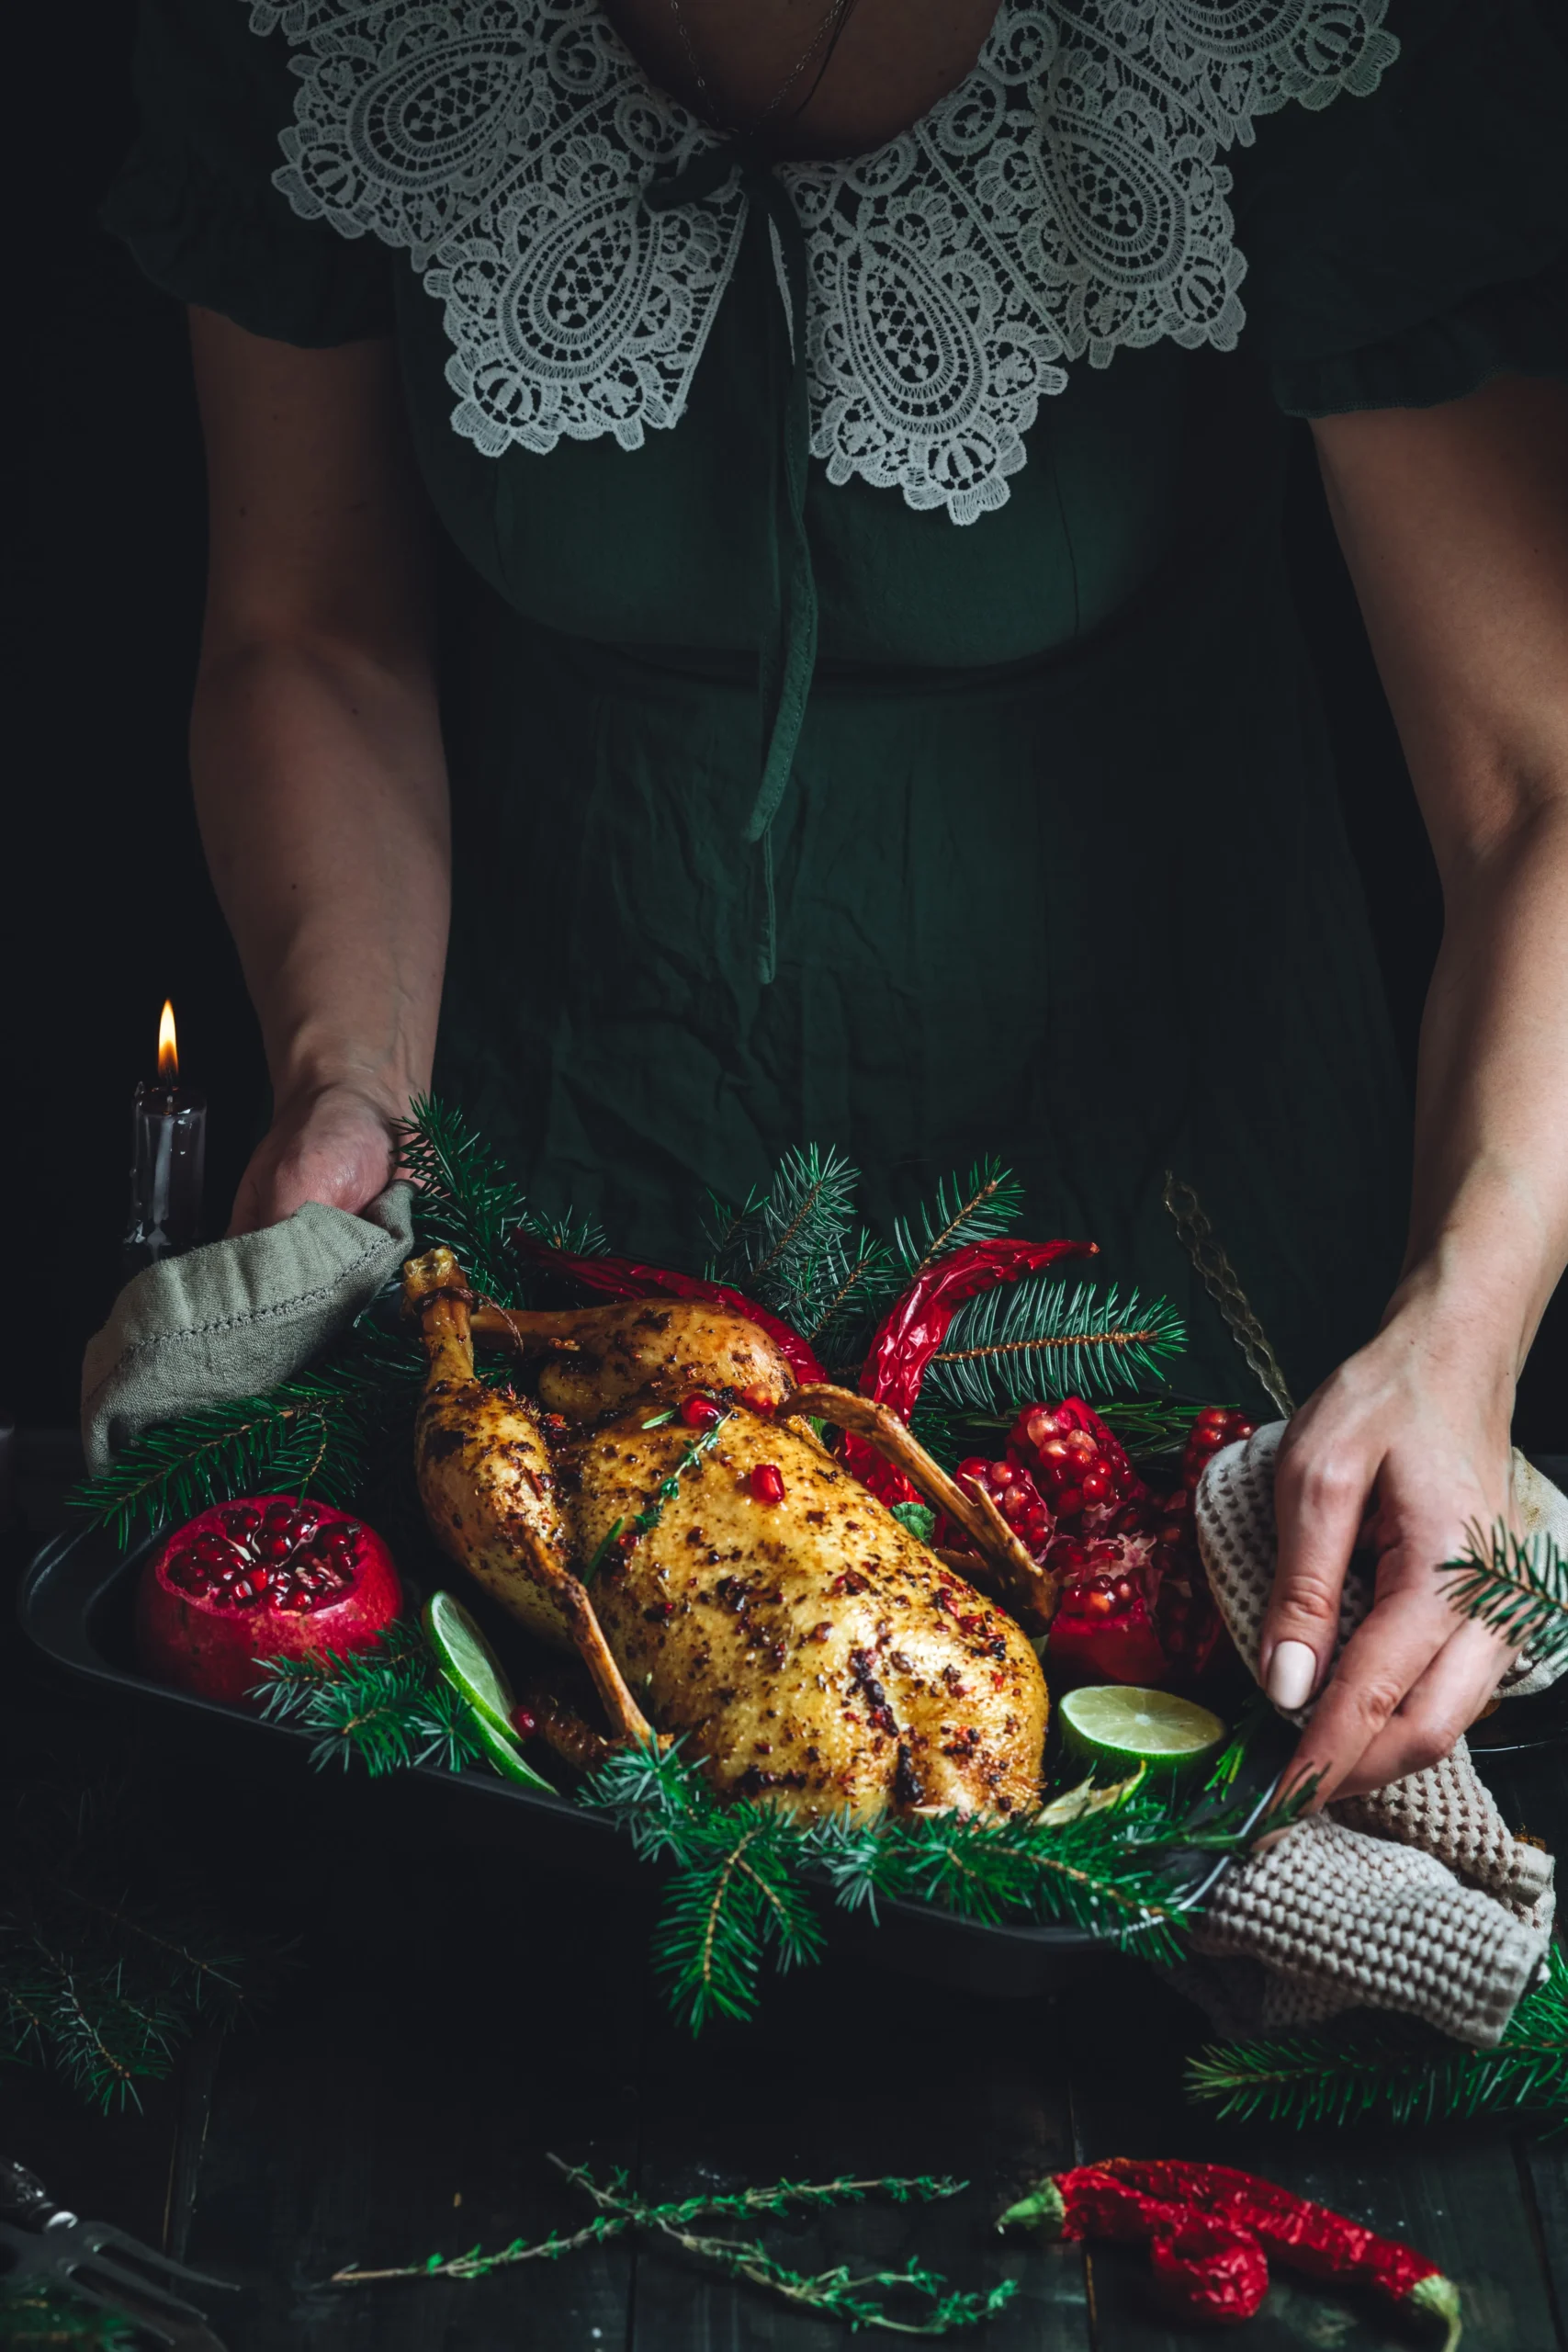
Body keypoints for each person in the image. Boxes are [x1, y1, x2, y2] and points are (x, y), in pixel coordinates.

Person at [104, 0, 1568, 1805]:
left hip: (1181, 1287)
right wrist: (346, 1075)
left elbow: (1536, 783)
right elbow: (303, 629)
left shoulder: (1294, 33)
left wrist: (1462, 1321)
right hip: (549, 1255)